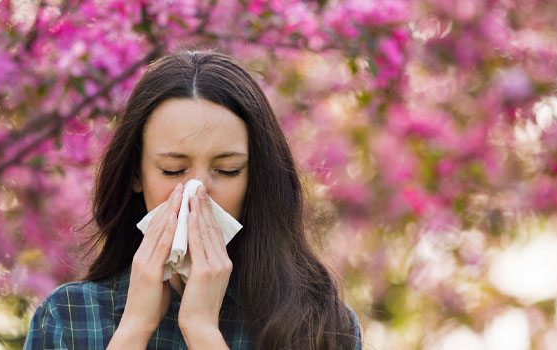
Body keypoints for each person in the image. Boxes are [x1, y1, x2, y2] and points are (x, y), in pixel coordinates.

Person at [23, 50, 363, 349]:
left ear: (254, 177)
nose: (196, 193)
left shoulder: (319, 326)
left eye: (228, 170)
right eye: (173, 170)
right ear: (136, 175)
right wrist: (134, 328)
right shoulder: (67, 317)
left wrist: (202, 331)